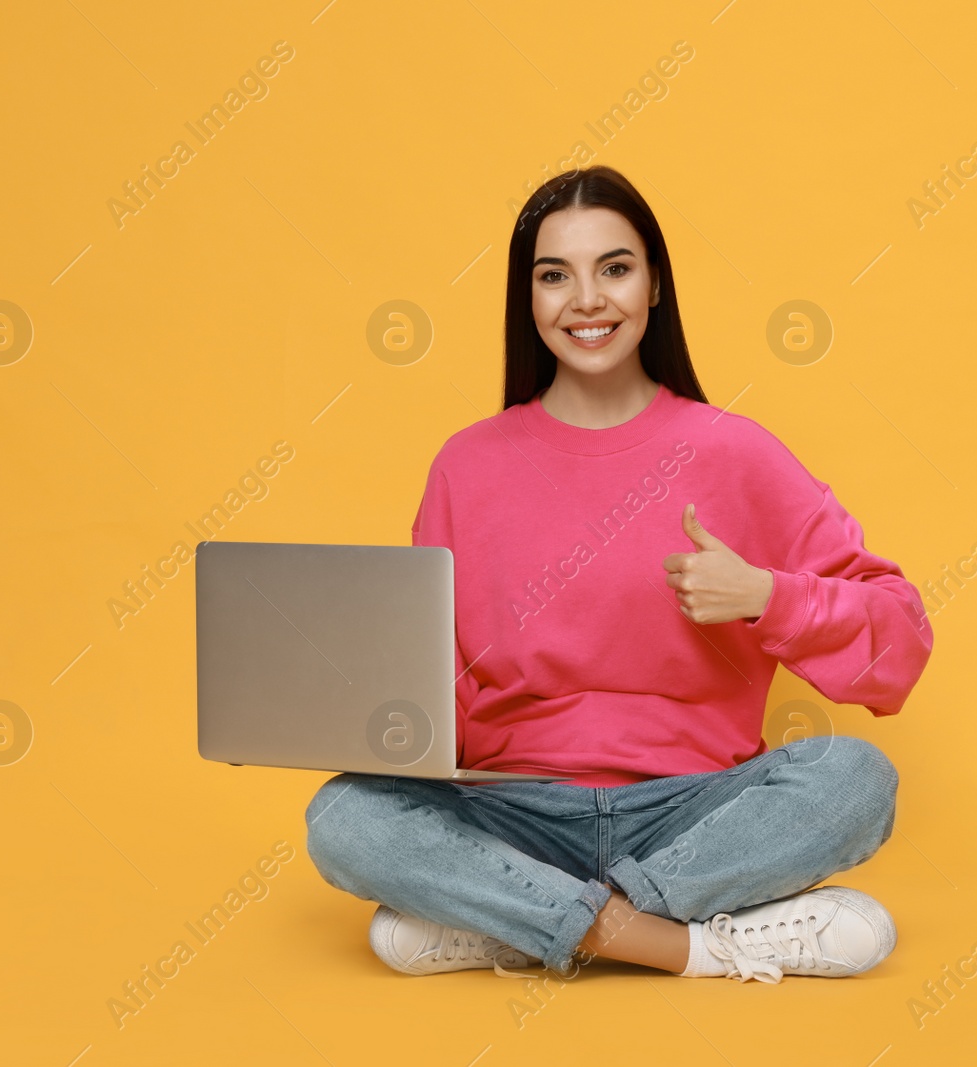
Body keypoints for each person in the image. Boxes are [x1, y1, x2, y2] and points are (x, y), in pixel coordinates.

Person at [305, 165, 934, 984]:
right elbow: (442, 689)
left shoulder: (735, 451)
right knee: (346, 815)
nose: (587, 300)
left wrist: (766, 597)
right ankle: (690, 946)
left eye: (615, 268)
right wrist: (375, 719)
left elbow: (902, 643)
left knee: (856, 778)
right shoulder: (467, 465)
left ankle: (516, 923)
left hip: (694, 810)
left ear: (656, 285)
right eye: (554, 275)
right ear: (526, 300)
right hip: (514, 808)